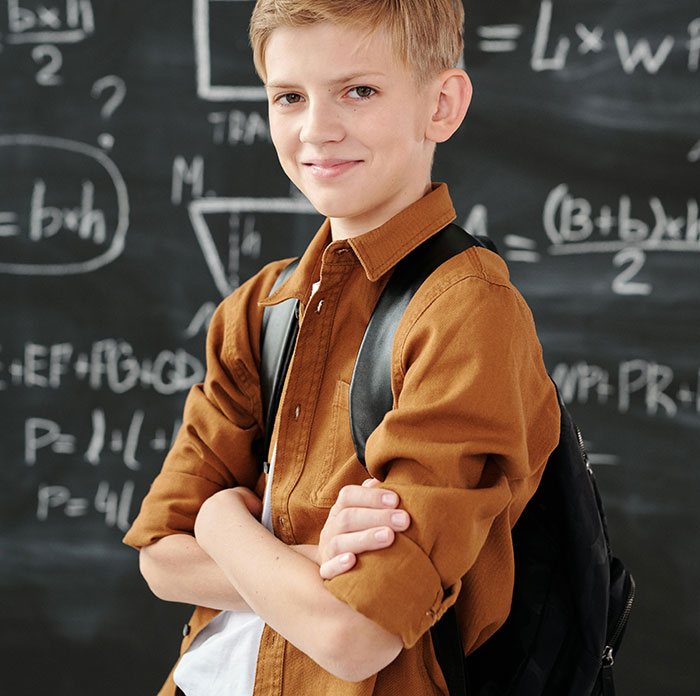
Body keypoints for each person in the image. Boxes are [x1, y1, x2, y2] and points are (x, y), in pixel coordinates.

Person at [123, 1, 561, 694]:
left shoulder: (465, 313)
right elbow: (159, 559)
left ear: (441, 105)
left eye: (360, 90)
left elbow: (354, 636)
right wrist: (311, 557)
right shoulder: (258, 310)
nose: (317, 129)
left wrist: (219, 519)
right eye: (289, 96)